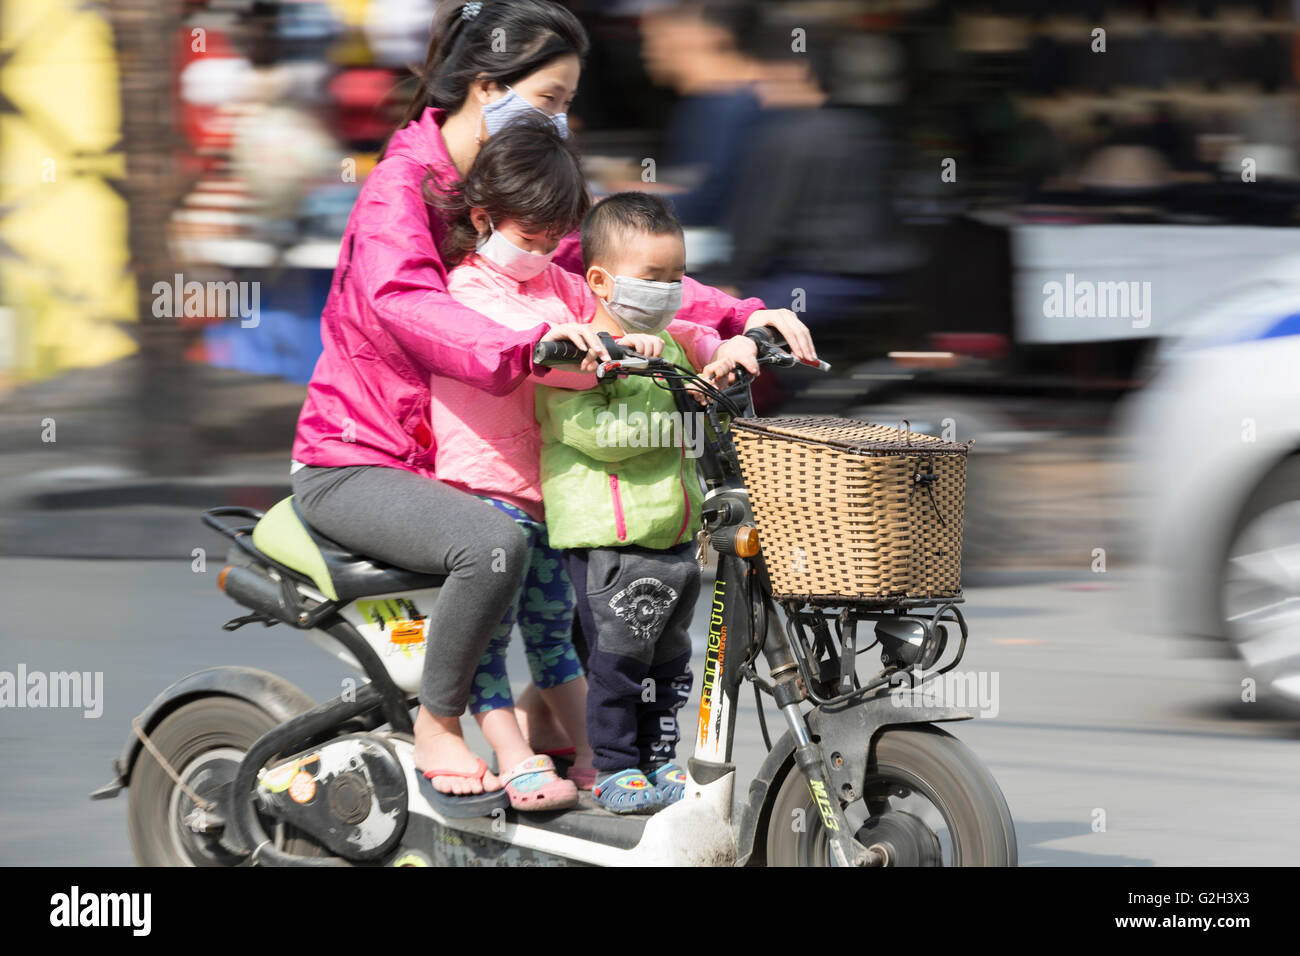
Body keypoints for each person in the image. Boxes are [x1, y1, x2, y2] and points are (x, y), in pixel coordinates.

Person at [288, 0, 814, 809]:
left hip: (489, 455)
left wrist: (742, 315)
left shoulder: (528, 187)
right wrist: (531, 349)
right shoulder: (399, 189)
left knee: (603, 555)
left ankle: (558, 722)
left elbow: (616, 269)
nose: (561, 121)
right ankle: (439, 721)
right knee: (492, 544)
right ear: (487, 83)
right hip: (363, 458)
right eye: (548, 100)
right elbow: (406, 305)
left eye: (568, 104)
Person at [535, 192, 752, 813]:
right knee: (618, 662)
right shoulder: (573, 354)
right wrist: (631, 373)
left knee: (670, 660)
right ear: (601, 279)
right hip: (610, 537)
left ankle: (659, 760)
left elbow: (687, 436)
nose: (667, 290)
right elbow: (603, 439)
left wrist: (711, 386)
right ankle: (613, 767)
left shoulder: (674, 346)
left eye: (676, 277)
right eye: (652, 278)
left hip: (673, 536)